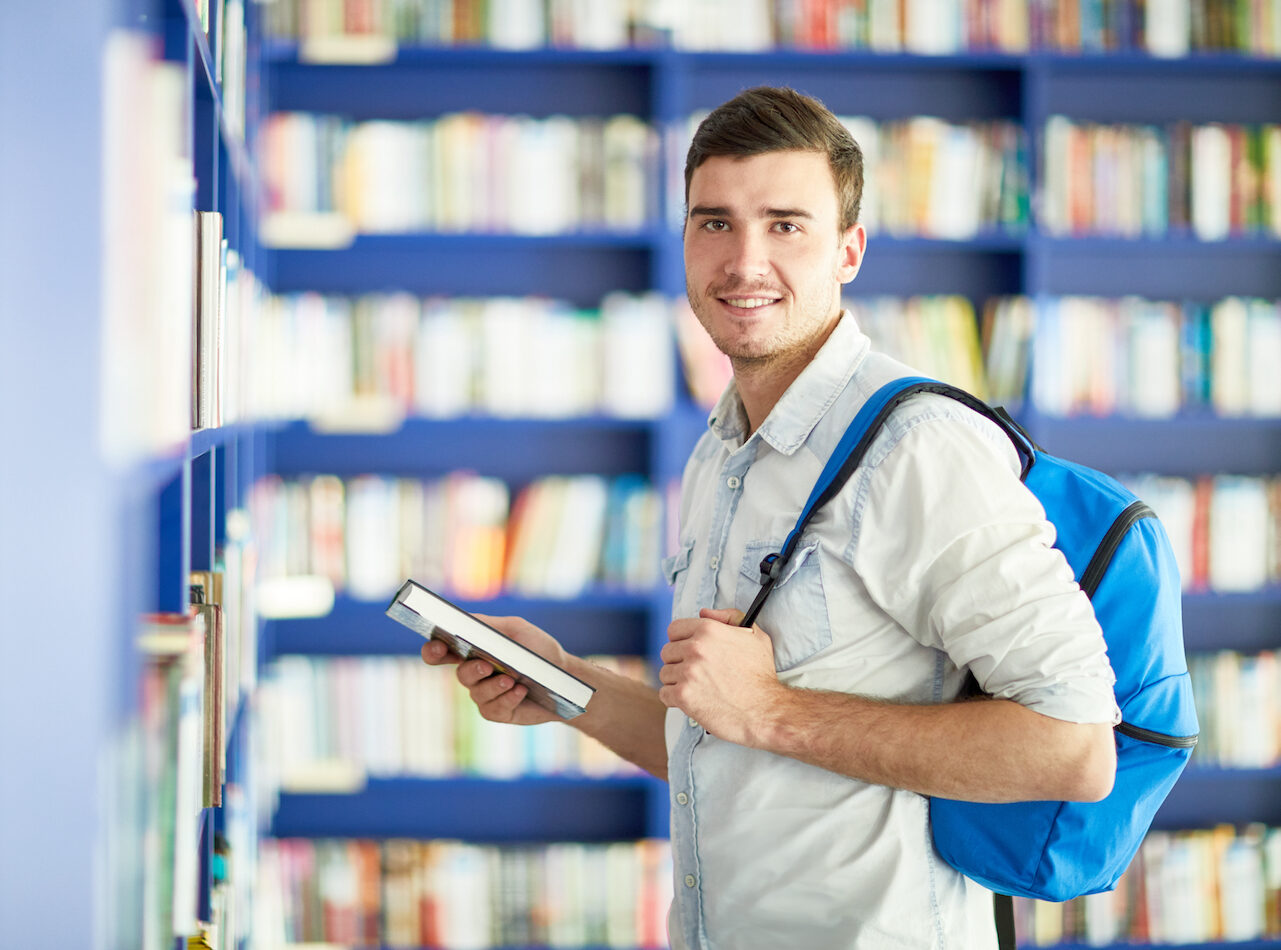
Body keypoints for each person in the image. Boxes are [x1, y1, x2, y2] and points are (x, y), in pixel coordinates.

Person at [422, 86, 1120, 949]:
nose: (743, 261)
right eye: (714, 223)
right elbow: (722, 733)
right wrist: (567, 684)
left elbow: (1075, 750)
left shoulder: (921, 446)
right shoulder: (722, 447)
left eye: (785, 225)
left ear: (848, 251)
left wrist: (771, 711)